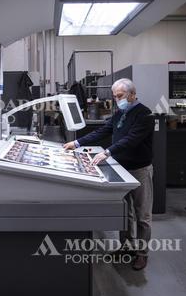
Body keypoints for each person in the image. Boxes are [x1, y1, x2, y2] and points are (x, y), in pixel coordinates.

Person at [63, 78, 154, 271]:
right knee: (126, 213)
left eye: (119, 96)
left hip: (139, 170)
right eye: (115, 96)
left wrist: (107, 152)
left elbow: (131, 140)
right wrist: (77, 143)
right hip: (121, 168)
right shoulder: (120, 112)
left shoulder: (144, 115)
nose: (116, 100)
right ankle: (126, 247)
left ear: (131, 94)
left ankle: (142, 254)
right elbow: (103, 131)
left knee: (142, 216)